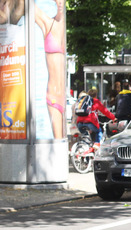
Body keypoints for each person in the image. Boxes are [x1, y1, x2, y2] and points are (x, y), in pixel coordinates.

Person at [34, 0, 66, 139]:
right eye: (56, 1)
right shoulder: (48, 23)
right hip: (53, 96)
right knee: (57, 140)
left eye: (61, 0)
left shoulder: (62, 25)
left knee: (58, 144)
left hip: (61, 96)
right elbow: (30, 7)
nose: (59, 3)